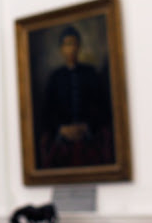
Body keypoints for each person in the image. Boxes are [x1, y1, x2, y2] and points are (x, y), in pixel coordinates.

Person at [38, 26, 114, 168]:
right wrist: (62, 129)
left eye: (73, 43)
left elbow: (102, 108)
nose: (71, 48)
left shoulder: (90, 73)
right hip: (61, 141)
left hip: (89, 138)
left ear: (78, 46)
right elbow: (47, 112)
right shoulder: (55, 77)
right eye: (67, 44)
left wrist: (86, 127)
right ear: (61, 49)